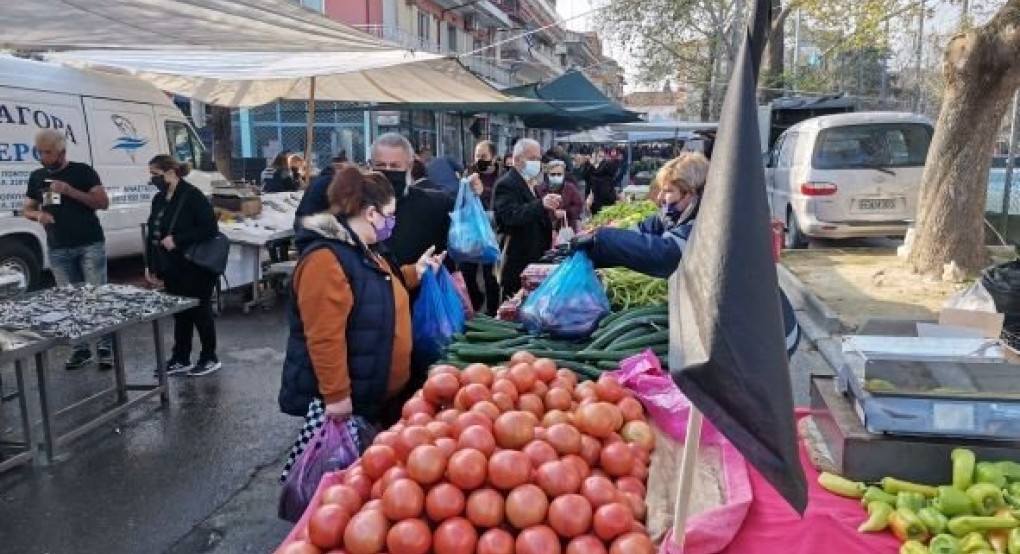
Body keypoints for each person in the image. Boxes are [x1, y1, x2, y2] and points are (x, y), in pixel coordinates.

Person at [279, 167, 445, 479]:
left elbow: (380, 287)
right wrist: (338, 397)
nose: (392, 223)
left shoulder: (366, 249)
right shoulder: (325, 261)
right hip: (349, 403)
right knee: (339, 483)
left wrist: (416, 272)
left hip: (372, 396)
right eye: (390, 215)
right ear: (371, 213)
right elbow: (324, 337)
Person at [569, 153, 801, 359]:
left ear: (692, 193)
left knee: (743, 399)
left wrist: (604, 240)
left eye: (668, 191)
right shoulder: (681, 212)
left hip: (762, 334)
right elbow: (647, 230)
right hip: (728, 325)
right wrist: (598, 238)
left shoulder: (713, 221)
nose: (660, 197)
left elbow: (665, 254)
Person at [23, 129, 114, 370]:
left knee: (95, 297)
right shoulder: (37, 176)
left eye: (48, 153)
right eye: (40, 152)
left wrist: (70, 191)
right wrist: (38, 215)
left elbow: (103, 203)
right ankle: (80, 348)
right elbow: (27, 208)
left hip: (89, 244)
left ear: (62, 152)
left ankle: (105, 346)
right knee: (71, 301)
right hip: (58, 248)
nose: (43, 157)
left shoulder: (82, 171)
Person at [144, 155, 222, 376]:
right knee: (180, 313)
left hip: (195, 265)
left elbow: (209, 229)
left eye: (155, 174)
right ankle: (181, 356)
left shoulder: (192, 196)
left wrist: (178, 239)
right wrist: (150, 264)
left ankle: (209, 356)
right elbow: (153, 232)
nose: (153, 180)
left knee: (200, 310)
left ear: (171, 173)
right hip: (171, 266)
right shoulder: (159, 199)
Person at [369, 133, 454, 272]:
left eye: (395, 166)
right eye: (380, 165)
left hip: (423, 290)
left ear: (410, 166)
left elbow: (468, 240)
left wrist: (472, 195)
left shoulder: (436, 205)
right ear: (370, 165)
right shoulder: (356, 208)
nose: (387, 171)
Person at [493, 138, 559, 300]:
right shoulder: (506, 184)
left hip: (533, 256)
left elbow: (532, 211)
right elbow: (510, 215)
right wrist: (541, 205)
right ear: (517, 159)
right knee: (513, 303)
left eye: (538, 159)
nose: (536, 163)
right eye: (532, 159)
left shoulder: (529, 182)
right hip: (518, 258)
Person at [459, 141, 502, 315]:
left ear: (494, 158)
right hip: (471, 231)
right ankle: (476, 303)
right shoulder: (469, 173)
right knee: (467, 273)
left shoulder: (502, 176)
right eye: (477, 156)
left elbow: (501, 203)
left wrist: (483, 192)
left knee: (490, 276)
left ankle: (492, 312)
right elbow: (460, 200)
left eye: (483, 156)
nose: (479, 160)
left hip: (492, 233)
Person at [293, 154, 347, 232]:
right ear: (339, 167)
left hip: (299, 221)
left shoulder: (318, 179)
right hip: (310, 224)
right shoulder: (333, 181)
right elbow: (336, 209)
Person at [537, 160, 583, 232]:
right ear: (548, 174)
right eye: (553, 174)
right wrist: (553, 214)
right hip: (545, 230)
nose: (556, 176)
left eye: (559, 174)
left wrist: (566, 212)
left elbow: (579, 206)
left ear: (563, 174)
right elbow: (537, 209)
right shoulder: (540, 189)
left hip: (567, 228)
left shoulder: (570, 188)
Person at [588, 147, 619, 215]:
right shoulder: (592, 168)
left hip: (604, 202)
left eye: (601, 156)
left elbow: (604, 190)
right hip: (598, 201)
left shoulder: (605, 167)